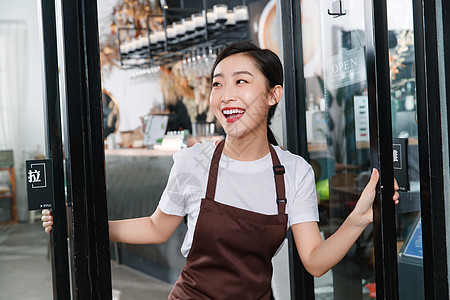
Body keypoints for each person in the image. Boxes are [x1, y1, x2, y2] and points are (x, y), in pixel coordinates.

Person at [42, 42, 399, 299]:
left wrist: (358, 220)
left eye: (241, 81)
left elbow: (315, 261)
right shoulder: (192, 162)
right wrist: (81, 226)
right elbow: (155, 227)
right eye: (217, 83)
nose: (225, 94)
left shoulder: (294, 172)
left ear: (274, 95)